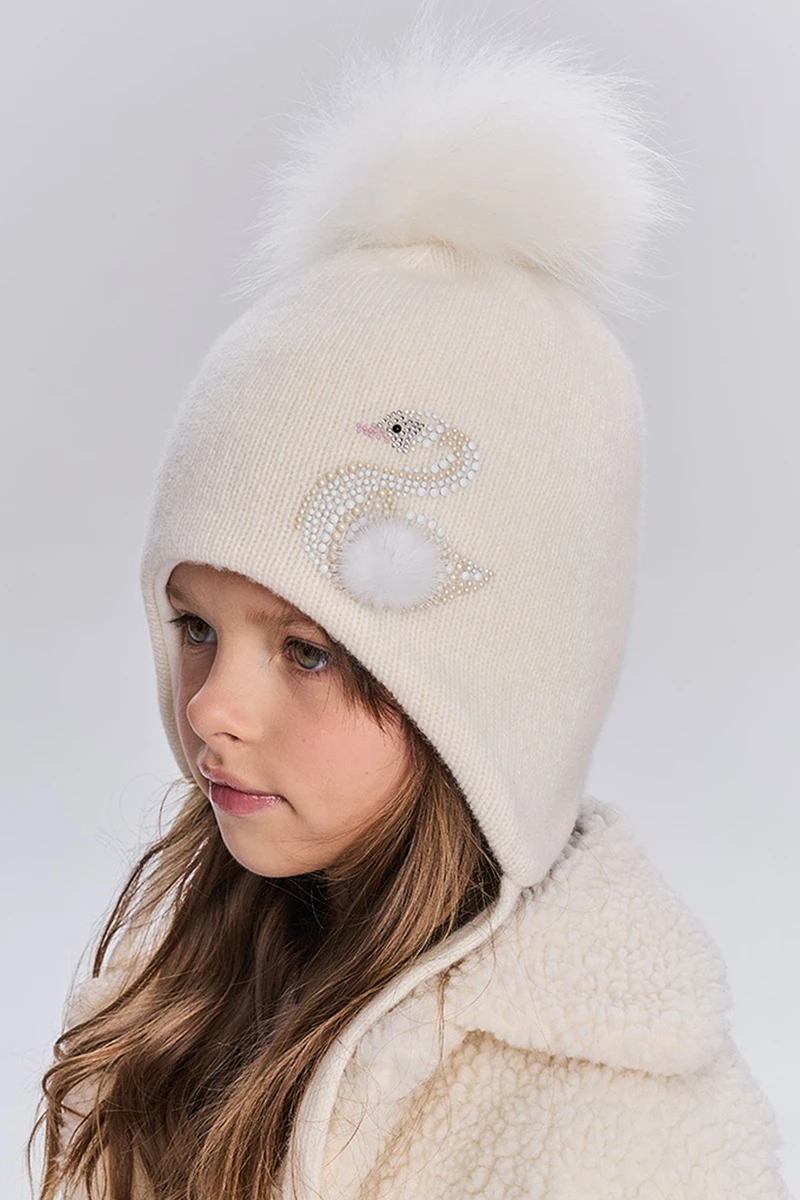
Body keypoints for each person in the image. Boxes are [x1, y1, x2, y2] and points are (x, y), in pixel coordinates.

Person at [29, 12, 791, 1200]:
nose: (212, 708)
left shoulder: (625, 1140)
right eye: (195, 627)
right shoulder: (166, 1000)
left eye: (309, 651)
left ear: (488, 699)